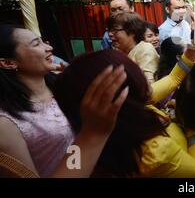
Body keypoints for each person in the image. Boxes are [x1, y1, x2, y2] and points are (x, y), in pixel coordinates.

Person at [54, 49, 195, 178]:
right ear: (120, 93)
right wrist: (189, 128)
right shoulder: (155, 152)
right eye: (135, 69)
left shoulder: (101, 127)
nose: (142, 72)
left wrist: (192, 48)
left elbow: (172, 79)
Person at [0, 25, 126, 177]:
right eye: (36, 44)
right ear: (8, 63)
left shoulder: (63, 85)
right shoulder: (6, 123)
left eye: (43, 41)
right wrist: (92, 134)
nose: (49, 47)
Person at [107, 12, 159, 85]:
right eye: (109, 30)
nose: (110, 34)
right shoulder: (118, 52)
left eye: (115, 30)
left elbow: (148, 86)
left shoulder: (144, 49)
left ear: (132, 31)